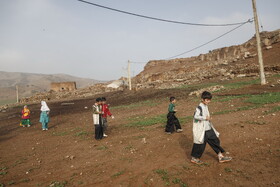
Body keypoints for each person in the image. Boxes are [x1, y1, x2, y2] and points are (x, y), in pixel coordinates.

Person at [190, 91, 232, 164]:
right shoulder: (199, 107)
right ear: (203, 99)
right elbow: (195, 116)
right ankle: (194, 158)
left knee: (215, 141)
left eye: (209, 100)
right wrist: (205, 118)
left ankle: (220, 156)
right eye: (207, 100)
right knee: (200, 144)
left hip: (208, 128)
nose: (209, 101)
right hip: (202, 129)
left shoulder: (205, 106)